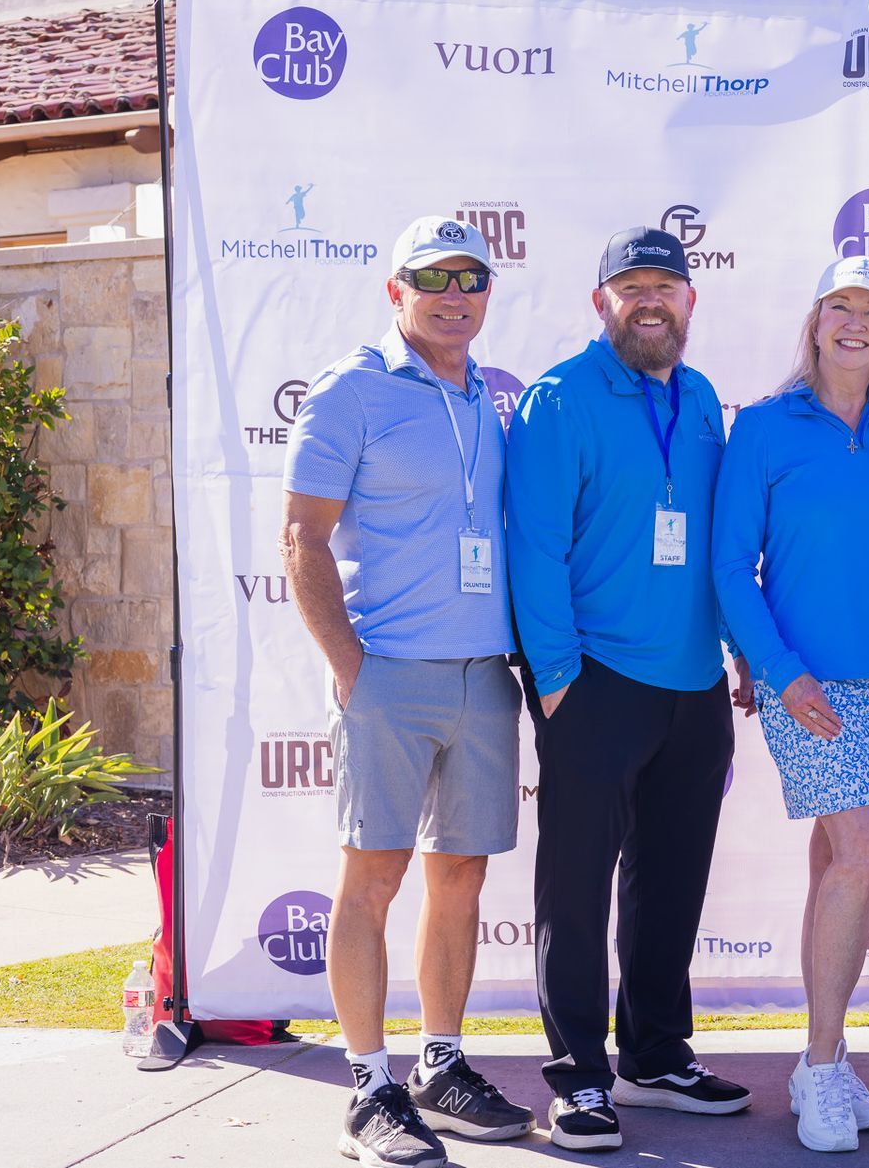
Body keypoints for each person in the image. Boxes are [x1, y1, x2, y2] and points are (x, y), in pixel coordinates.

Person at [281, 215, 533, 1168]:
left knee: (459, 875)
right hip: (388, 672)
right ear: (396, 291)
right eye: (432, 277)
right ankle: (368, 1085)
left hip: (484, 676)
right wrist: (352, 666)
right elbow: (301, 536)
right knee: (373, 876)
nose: (453, 293)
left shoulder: (489, 400)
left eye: (470, 277)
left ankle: (440, 1062)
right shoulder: (351, 391)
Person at [504, 226, 753, 1153]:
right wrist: (559, 680)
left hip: (692, 687)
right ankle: (579, 1078)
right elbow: (534, 546)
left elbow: (716, 548)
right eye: (631, 286)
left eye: (667, 286)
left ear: (692, 301)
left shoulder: (699, 403)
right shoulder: (558, 398)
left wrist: (735, 653)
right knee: (576, 889)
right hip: (596, 680)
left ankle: (653, 1054)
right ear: (599, 300)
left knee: (671, 883)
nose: (651, 301)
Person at [711, 256, 869, 1153]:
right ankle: (822, 1061)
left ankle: (826, 1065)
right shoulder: (764, 427)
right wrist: (771, 664)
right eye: (837, 304)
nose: (853, 321)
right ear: (813, 322)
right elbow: (730, 565)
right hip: (808, 682)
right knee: (868, 848)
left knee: (836, 858)